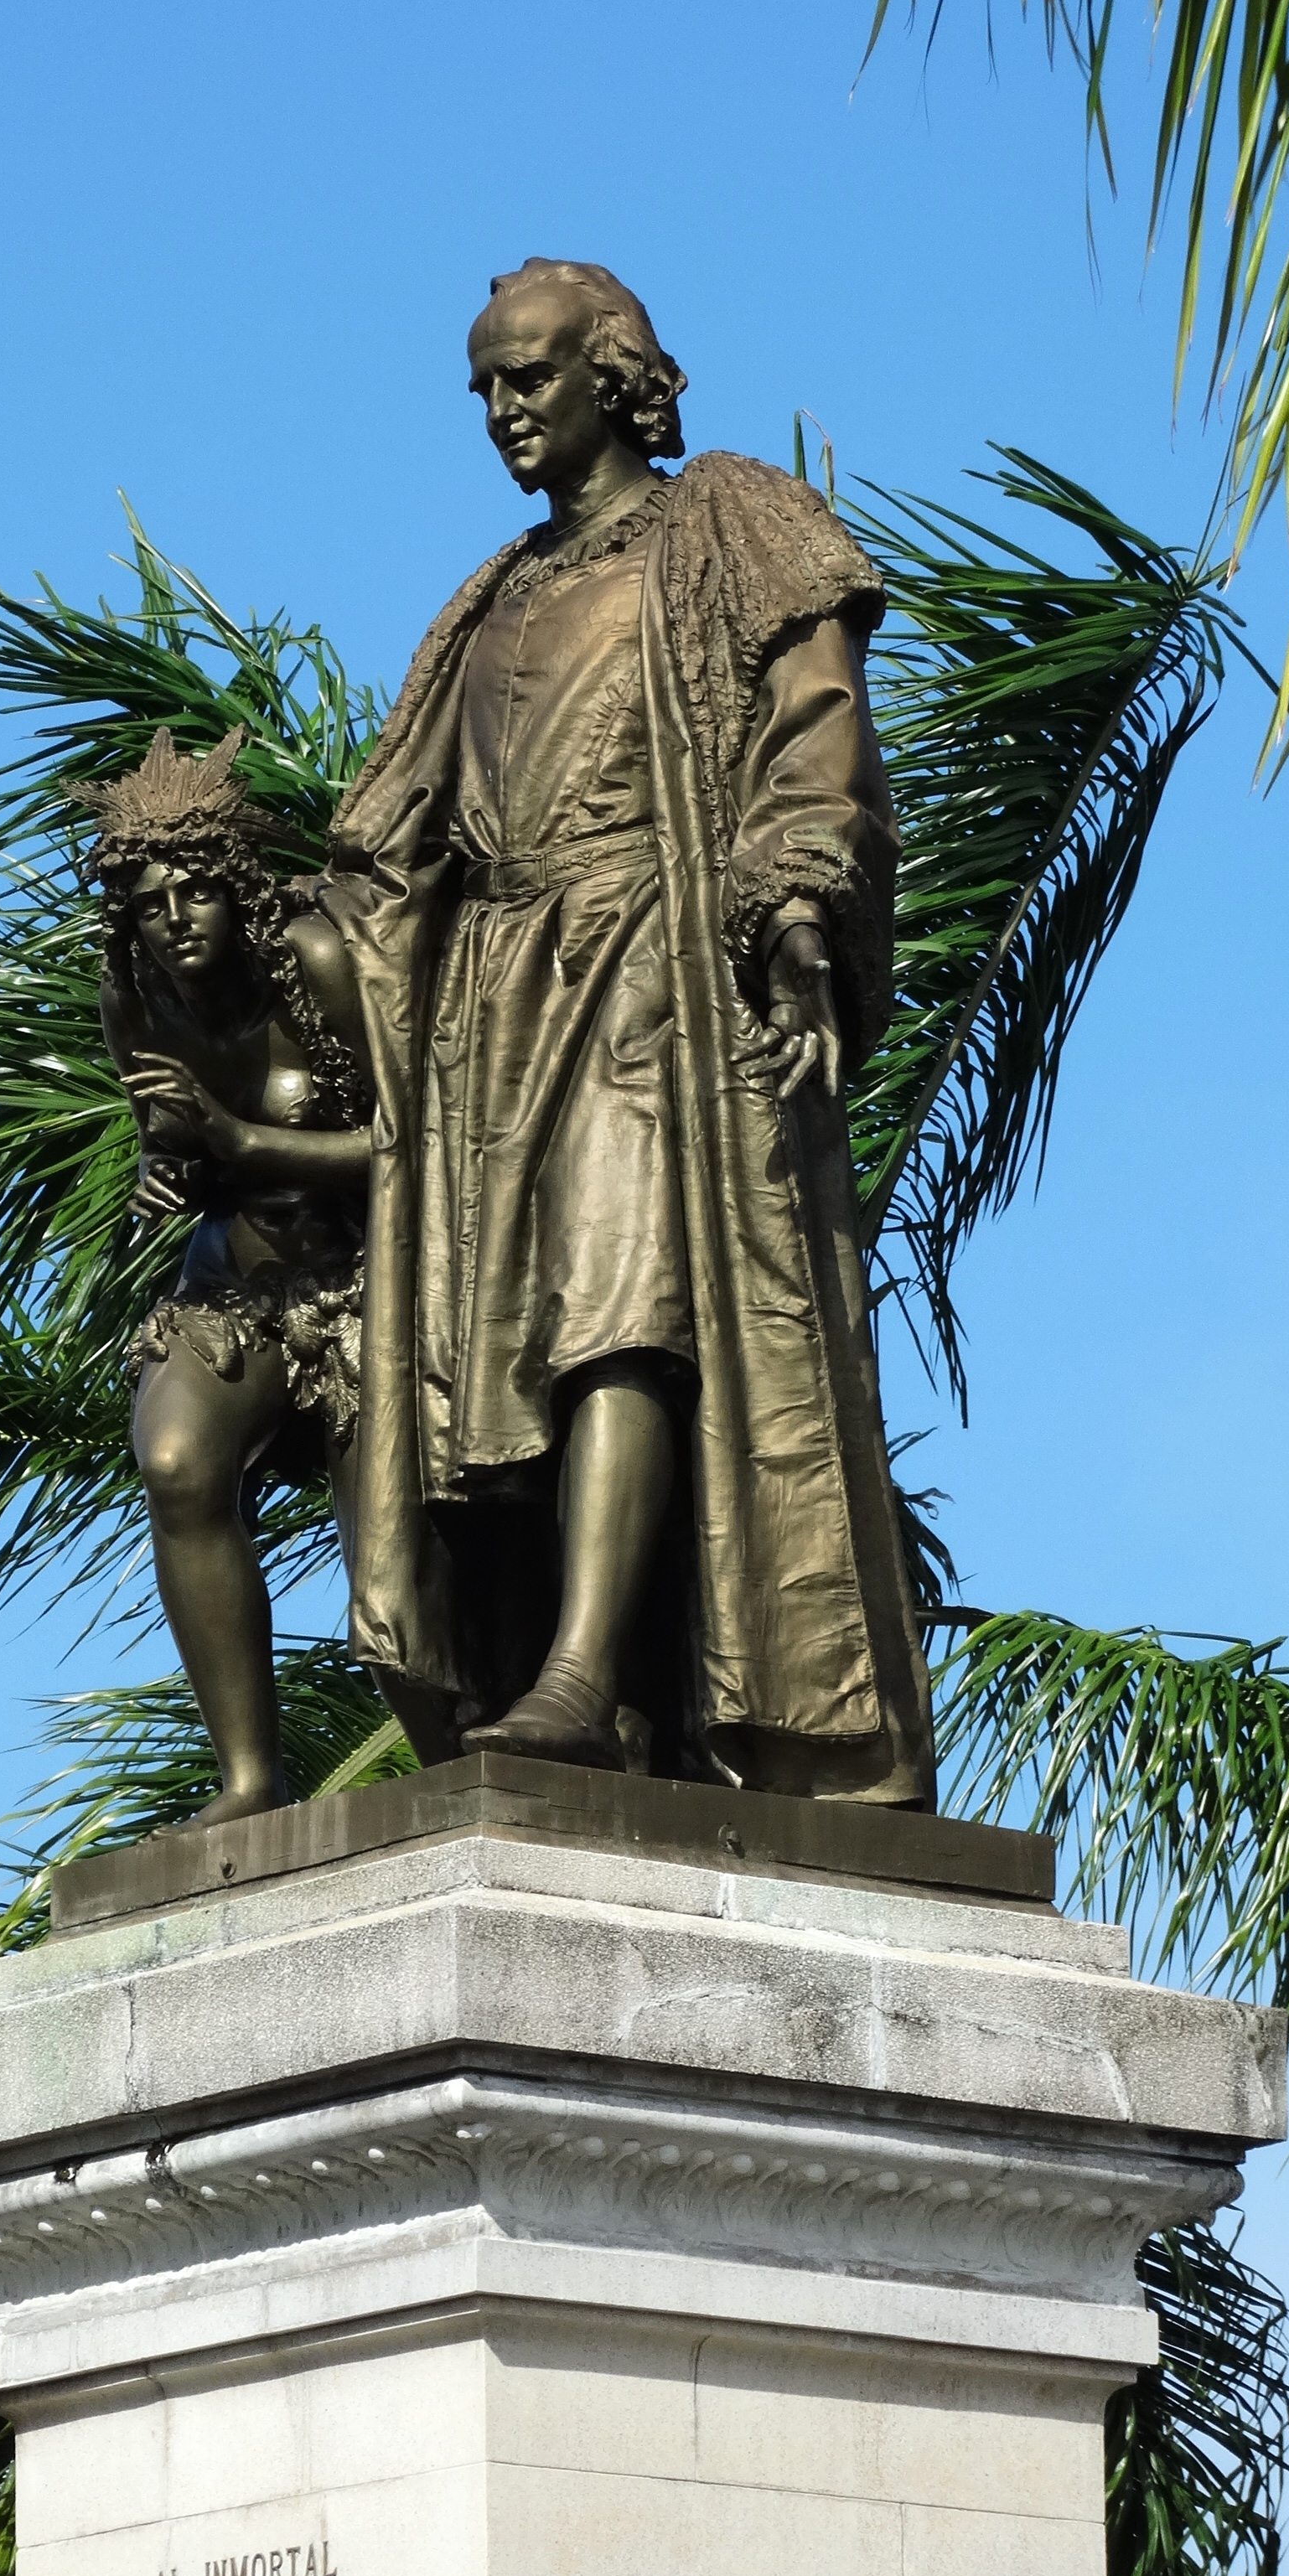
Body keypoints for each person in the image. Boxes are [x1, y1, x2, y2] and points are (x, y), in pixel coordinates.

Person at [317, 261, 934, 1804]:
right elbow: (398, 838)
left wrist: (796, 903)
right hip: (494, 999)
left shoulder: (727, 516)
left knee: (625, 1296)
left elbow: (816, 718)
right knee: (503, 1349)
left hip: (655, 953)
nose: (504, 412)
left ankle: (591, 1674)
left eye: (528, 376)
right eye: (483, 389)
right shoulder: (491, 597)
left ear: (617, 372)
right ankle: (576, 1672)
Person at [87, 726, 375, 1818]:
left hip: (367, 1284)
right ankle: (252, 1777)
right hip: (231, 1287)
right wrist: (173, 1171)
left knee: (389, 1604)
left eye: (198, 894)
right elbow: (179, 1146)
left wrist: (244, 1142)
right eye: (151, 904)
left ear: (240, 893)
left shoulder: (315, 967)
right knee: (175, 1461)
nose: (176, 921)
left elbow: (424, 1151)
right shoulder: (134, 999)